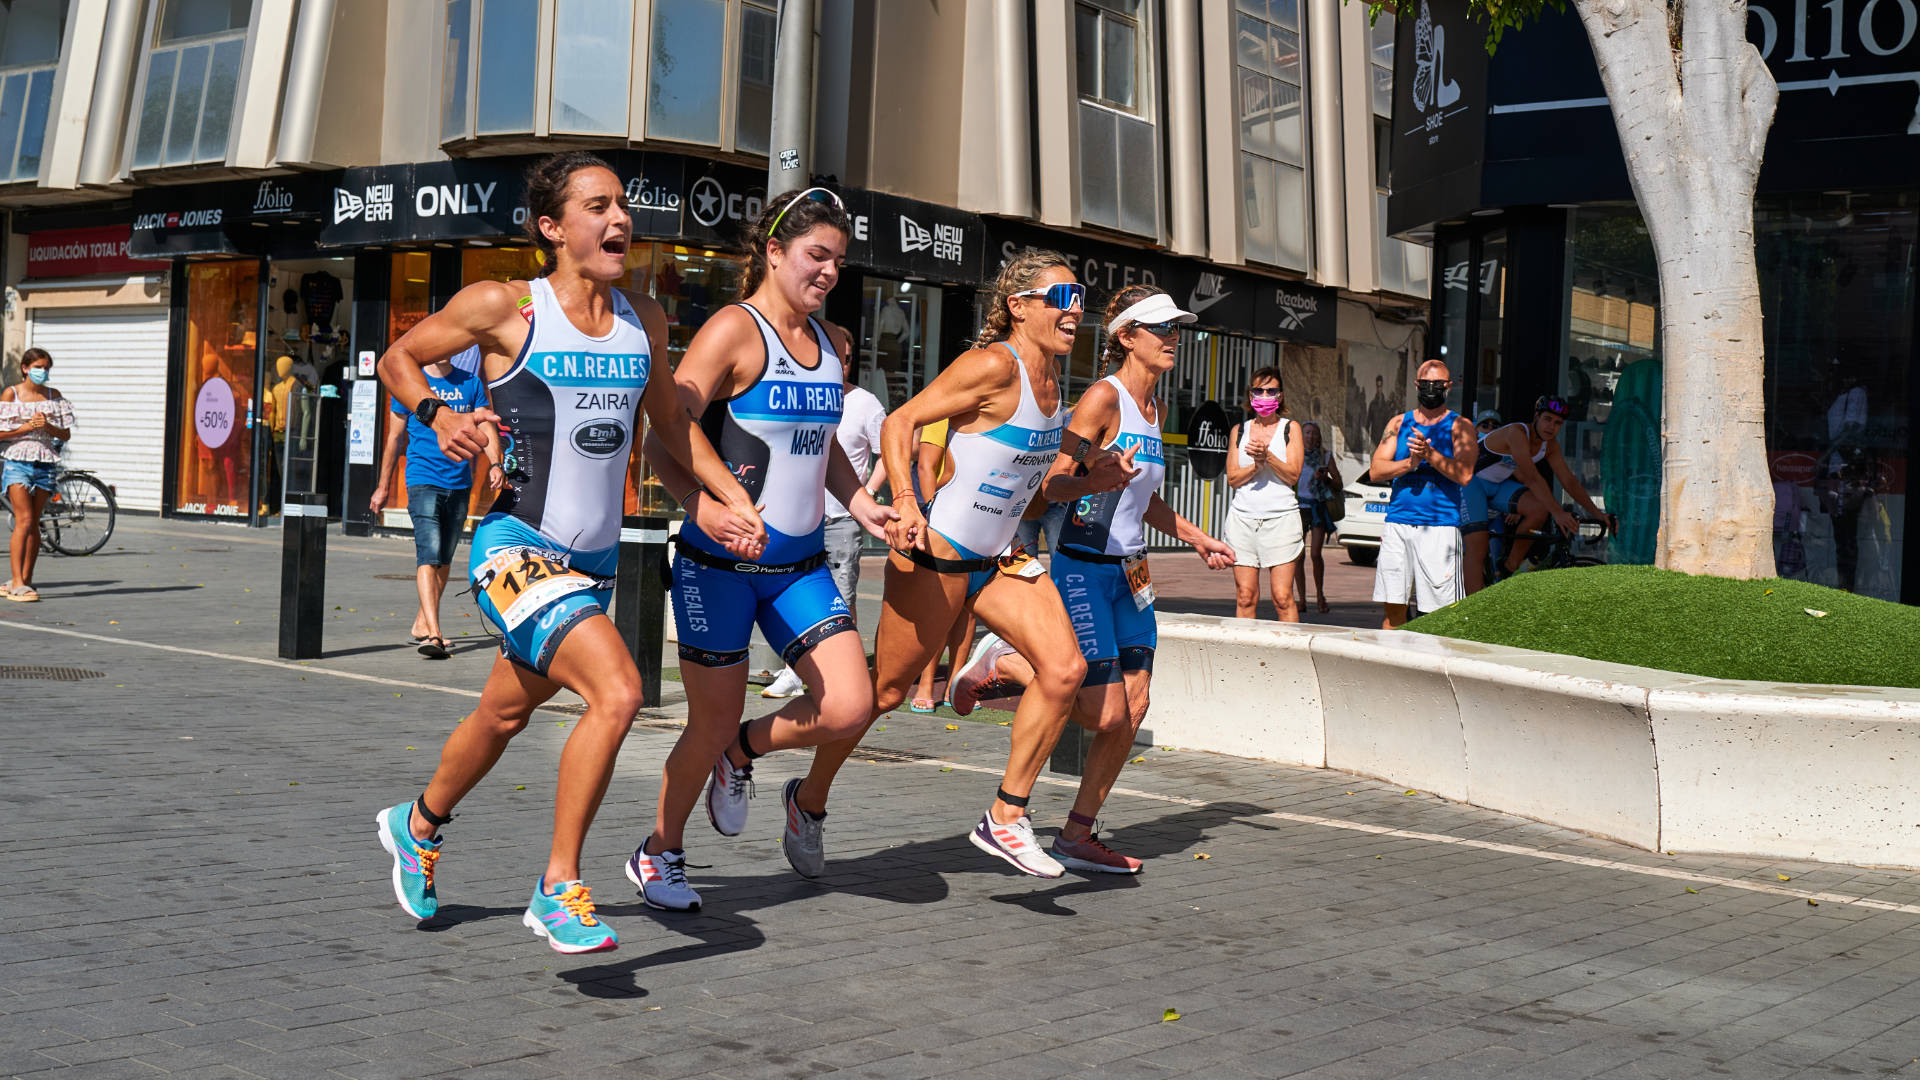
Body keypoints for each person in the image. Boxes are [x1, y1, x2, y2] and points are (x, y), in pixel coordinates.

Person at [372, 152, 765, 954]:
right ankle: (559, 887)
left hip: (592, 565)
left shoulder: (644, 320)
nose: (619, 219)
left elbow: (672, 427)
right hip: (513, 545)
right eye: (598, 206)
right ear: (553, 228)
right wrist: (439, 412)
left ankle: (416, 824)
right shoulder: (503, 307)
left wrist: (723, 500)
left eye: (622, 205)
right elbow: (397, 359)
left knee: (505, 711)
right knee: (618, 691)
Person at [792, 248, 1138, 880]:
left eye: (1080, 296)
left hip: (1001, 559)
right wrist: (904, 503)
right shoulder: (991, 367)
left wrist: (1094, 475)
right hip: (939, 558)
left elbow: (1037, 491)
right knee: (888, 693)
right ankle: (808, 800)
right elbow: (901, 421)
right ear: (1019, 307)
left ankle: (1005, 816)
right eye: (1062, 298)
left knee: (1065, 669)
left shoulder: (1054, 386)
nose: (1076, 309)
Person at [623, 188, 895, 912]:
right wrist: (701, 506)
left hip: (798, 565)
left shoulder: (834, 343)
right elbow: (663, 434)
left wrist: (866, 504)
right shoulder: (731, 331)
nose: (830, 271)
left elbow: (824, 443)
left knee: (850, 707)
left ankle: (741, 754)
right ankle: (659, 852)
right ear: (774, 253)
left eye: (838, 259)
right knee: (704, 719)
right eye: (816, 255)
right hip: (719, 571)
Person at [945, 285, 1235, 873]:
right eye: (1161, 329)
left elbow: (1144, 501)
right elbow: (1052, 486)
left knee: (1135, 705)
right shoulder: (1104, 400)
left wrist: (1197, 536)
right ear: (1127, 337)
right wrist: (1095, 480)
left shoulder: (1155, 409)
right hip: (1083, 567)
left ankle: (1077, 834)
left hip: (1132, 573)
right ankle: (1003, 664)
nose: (1173, 339)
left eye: (1177, 329)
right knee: (1102, 714)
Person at [760, 321, 884, 700]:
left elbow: (890, 453)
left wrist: (865, 497)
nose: (840, 366)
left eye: (845, 360)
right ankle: (797, 670)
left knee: (842, 597)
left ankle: (842, 671)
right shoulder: (799, 396)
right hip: (798, 520)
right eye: (833, 358)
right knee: (787, 594)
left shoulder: (865, 403)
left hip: (842, 519)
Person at [371, 345, 501, 658]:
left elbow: (485, 424)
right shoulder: (410, 386)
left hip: (459, 482)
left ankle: (421, 622)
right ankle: (434, 633)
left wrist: (495, 462)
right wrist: (382, 487)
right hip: (422, 479)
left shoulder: (469, 382)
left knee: (444, 558)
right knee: (428, 554)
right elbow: (393, 439)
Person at [1461, 394, 1612, 593]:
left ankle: (1507, 569)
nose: (1551, 427)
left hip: (1497, 485)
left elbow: (1569, 481)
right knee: (1477, 547)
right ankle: (1470, 614)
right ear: (1536, 416)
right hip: (1471, 483)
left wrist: (1597, 513)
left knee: (1539, 509)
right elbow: (1532, 477)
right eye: (1547, 419)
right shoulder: (1517, 433)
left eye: (1557, 423)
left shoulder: (1549, 445)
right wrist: (1558, 513)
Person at [1370, 360, 1476, 628]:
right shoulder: (1398, 423)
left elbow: (1464, 474)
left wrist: (1429, 454)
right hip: (1398, 522)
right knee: (1394, 608)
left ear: (1448, 387)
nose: (1432, 389)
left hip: (1440, 527)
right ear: (1416, 385)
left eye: (1438, 384)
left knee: (1439, 615)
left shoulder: (1460, 426)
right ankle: (1390, 664)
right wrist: (1410, 463)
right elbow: (1376, 470)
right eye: (1426, 384)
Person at [1224, 368, 1304, 621]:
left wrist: (1268, 457)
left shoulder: (1290, 428)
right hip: (1243, 519)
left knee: (1282, 597)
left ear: (1280, 396)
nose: (1265, 396)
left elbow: (1293, 476)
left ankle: (1292, 656)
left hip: (1281, 519)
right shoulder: (1240, 430)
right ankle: (1244, 657)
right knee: (1245, 596)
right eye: (1259, 391)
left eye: (1271, 391)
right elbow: (1233, 478)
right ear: (1250, 395)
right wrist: (1256, 466)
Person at [908, 417, 975, 713]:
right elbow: (925, 466)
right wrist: (934, 509)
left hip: (982, 521)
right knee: (941, 605)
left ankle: (954, 684)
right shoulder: (944, 414)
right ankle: (925, 683)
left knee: (969, 607)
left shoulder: (991, 414)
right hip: (945, 519)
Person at [0, 349, 73, 603]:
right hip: (18, 463)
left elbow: (64, 435)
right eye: (40, 366)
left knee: (35, 523)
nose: (44, 371)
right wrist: (25, 428)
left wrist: (47, 426)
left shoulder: (54, 397)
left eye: (47, 367)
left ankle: (25, 580)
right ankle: (17, 580)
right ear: (25, 368)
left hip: (45, 463)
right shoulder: (12, 393)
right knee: (24, 519)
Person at [1293, 420, 1341, 615]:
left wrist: (1326, 478)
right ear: (1301, 436)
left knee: (1315, 554)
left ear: (1319, 437)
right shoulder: (1294, 455)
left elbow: (1338, 483)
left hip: (1318, 507)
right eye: (1307, 433)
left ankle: (1320, 596)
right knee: (1298, 555)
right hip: (1298, 507)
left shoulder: (1325, 455)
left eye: (1314, 433)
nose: (1310, 436)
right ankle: (1301, 600)